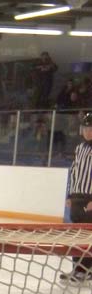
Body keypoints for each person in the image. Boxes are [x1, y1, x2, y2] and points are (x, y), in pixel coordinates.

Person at [62, 112, 92, 282]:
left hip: (90, 199)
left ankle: (86, 270)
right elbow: (74, 172)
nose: (88, 132)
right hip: (77, 197)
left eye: (91, 129)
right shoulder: (80, 148)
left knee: (88, 235)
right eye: (86, 128)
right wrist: (70, 195)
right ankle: (77, 269)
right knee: (77, 235)